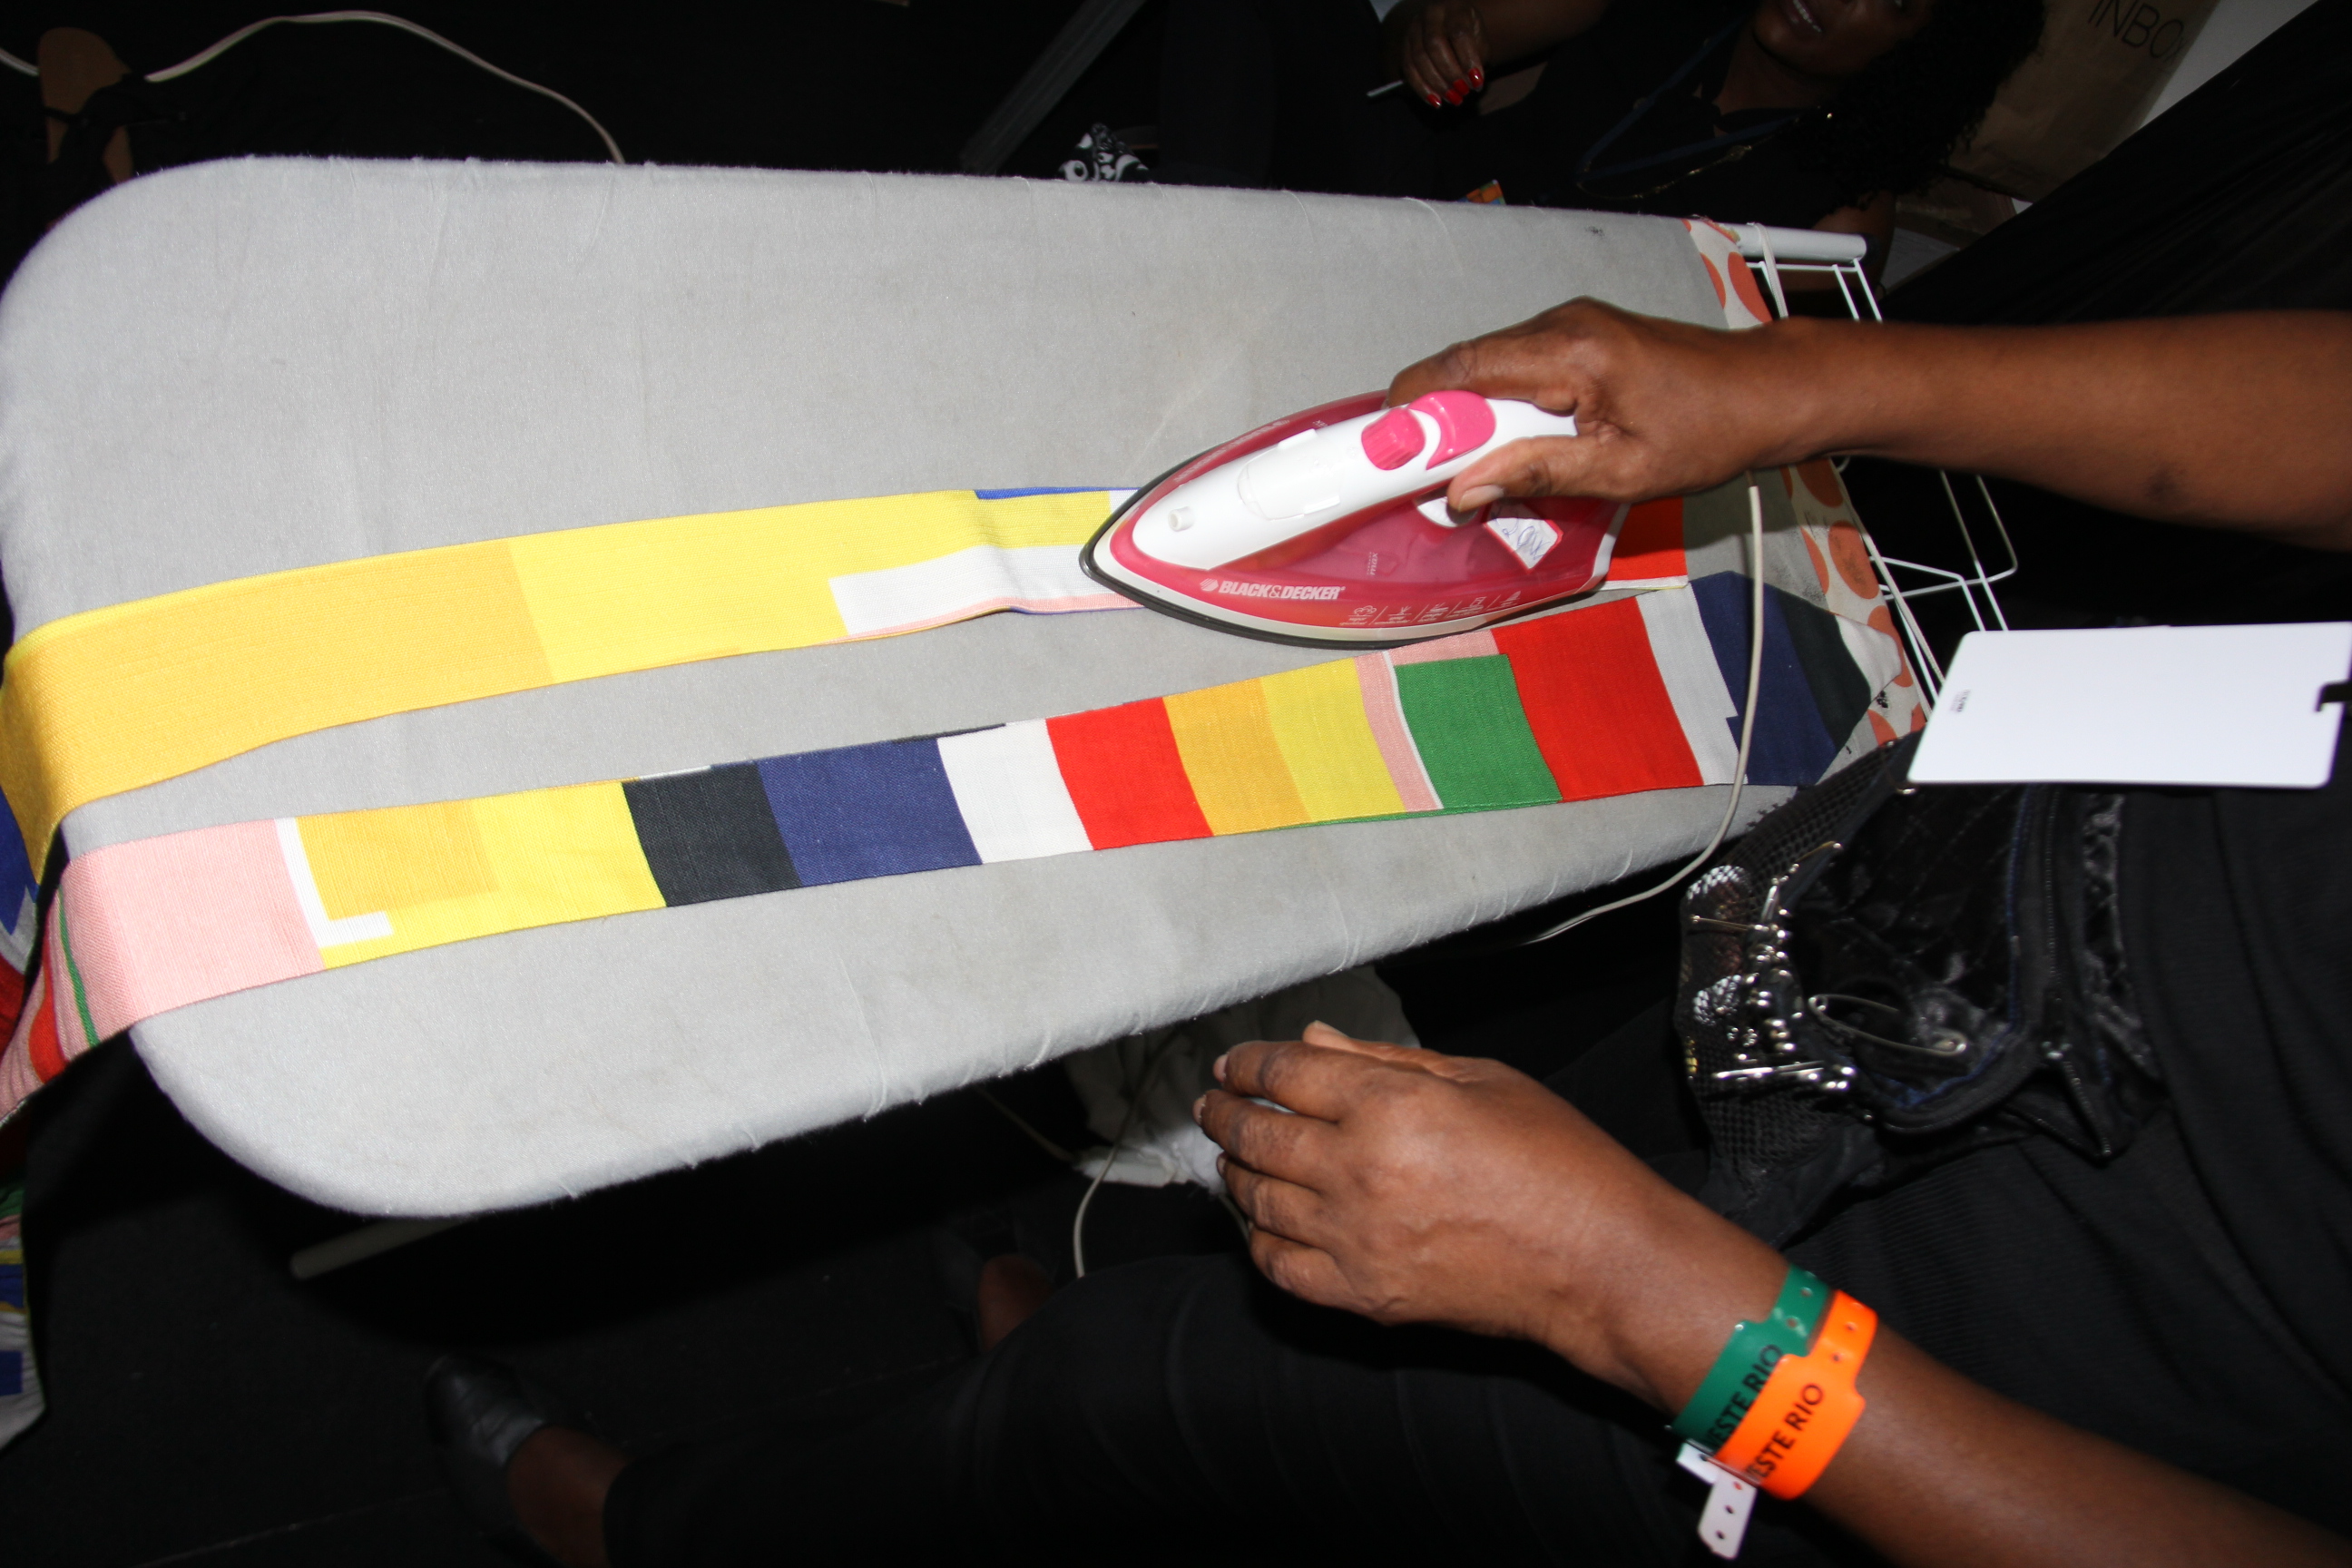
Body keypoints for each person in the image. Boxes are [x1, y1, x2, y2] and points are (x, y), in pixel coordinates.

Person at [429, 302, 2352, 1566]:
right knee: (1337, 1180)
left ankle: (669, 1531)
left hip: (1942, 1380)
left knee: (1160, 1415)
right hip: (1923, 920)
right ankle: (1093, 1341)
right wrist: (1809, 384)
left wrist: (1631, 1291)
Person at [1148, 0, 2043, 270]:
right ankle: (1184, 244)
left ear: (1919, 53)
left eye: (1890, 0)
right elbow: (1396, 53)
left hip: (1500, 338)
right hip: (1404, 192)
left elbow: (1736, 394)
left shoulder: (1842, 219)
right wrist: (1428, 31)